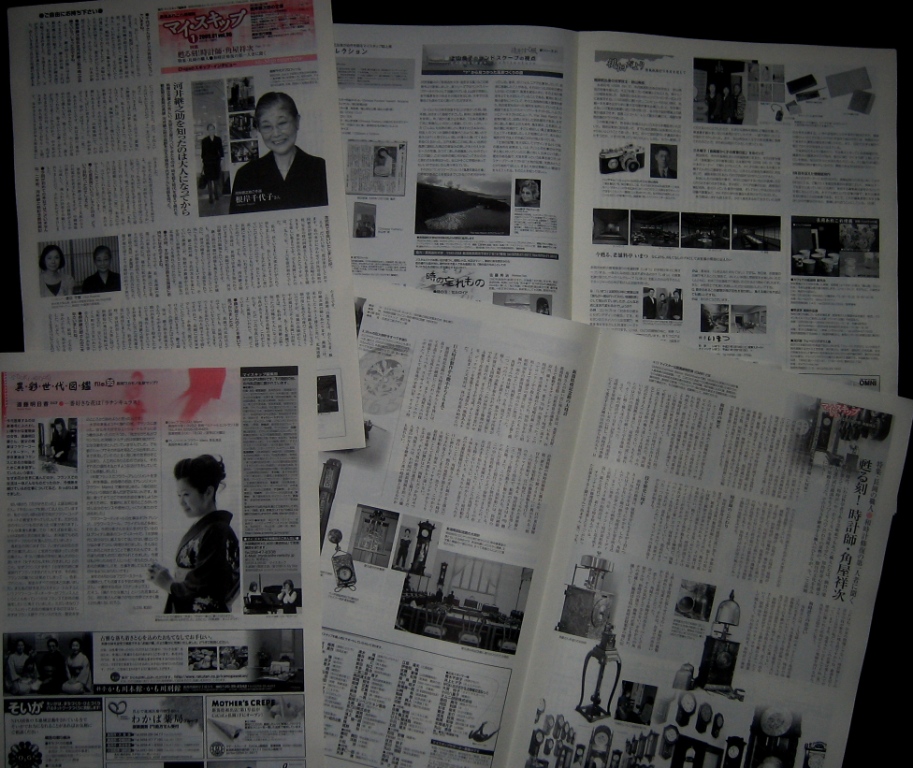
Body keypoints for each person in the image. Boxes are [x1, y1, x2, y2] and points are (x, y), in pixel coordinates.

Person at [147, 455, 240, 613]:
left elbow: (202, 586)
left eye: (186, 494)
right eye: (179, 495)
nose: (181, 502)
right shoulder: (208, 529)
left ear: (208, 492)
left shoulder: (217, 530)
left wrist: (168, 584)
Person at [230, 92, 328, 213]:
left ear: (297, 121)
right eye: (267, 126)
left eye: (282, 123)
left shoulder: (321, 169)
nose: (276, 133)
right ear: (259, 129)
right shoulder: (245, 176)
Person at [201, 124, 224, 204]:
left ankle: (216, 195)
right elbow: (203, 153)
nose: (211, 131)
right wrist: (203, 163)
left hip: (216, 162)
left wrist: (221, 159)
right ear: (208, 131)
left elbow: (221, 150)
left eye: (213, 129)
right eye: (210, 129)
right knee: (209, 180)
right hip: (208, 162)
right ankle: (211, 197)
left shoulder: (218, 139)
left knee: (216, 179)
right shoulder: (204, 141)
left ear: (214, 130)